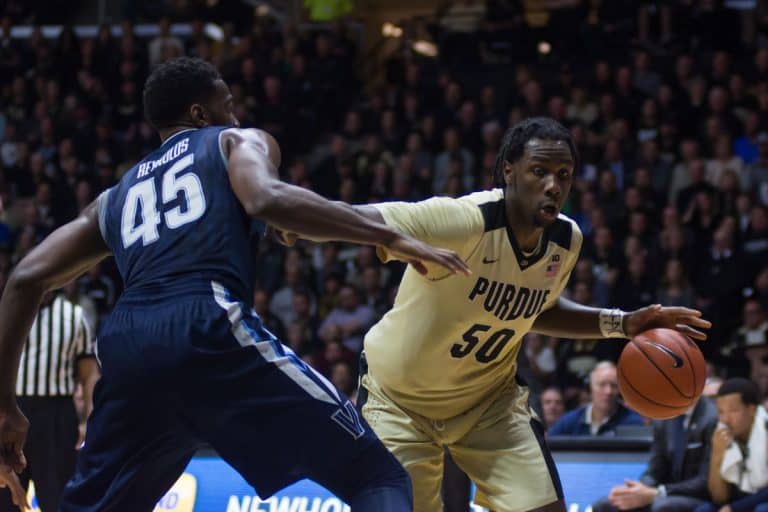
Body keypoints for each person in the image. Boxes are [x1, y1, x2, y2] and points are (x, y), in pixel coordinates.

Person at [0, 57, 471, 511]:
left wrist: (5, 405)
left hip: (127, 344)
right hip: (205, 321)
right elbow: (265, 197)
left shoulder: (114, 197)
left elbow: (25, 278)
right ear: (201, 113)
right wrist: (391, 236)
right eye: (228, 102)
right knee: (377, 474)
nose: (237, 112)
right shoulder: (231, 140)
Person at [278, 118, 710, 512]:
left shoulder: (567, 239)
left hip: (489, 403)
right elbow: (365, 218)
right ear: (509, 171)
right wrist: (296, 218)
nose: (553, 186)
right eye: (539, 171)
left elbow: (535, 308)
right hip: (399, 401)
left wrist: (622, 323)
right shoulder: (464, 221)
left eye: (563, 175)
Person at [0, 292, 100, 512]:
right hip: (11, 408)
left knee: (57, 498)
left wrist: (87, 420)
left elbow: (89, 374)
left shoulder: (74, 316)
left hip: (56, 415)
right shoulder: (7, 309)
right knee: (6, 497)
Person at [592, 396, 718, 512]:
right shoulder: (664, 416)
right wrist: (638, 489)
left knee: (663, 507)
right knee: (606, 505)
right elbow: (655, 470)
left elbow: (705, 482)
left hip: (697, 496)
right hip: (663, 493)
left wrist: (658, 492)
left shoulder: (712, 417)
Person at [695, 378, 768, 512]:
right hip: (737, 502)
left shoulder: (765, 430)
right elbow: (719, 498)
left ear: (751, 410)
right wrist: (717, 455)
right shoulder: (720, 434)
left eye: (733, 411)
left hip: (760, 502)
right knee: (704, 509)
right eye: (721, 412)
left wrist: (734, 508)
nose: (726, 419)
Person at [548, 362, 645, 436]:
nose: (608, 391)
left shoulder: (633, 422)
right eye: (602, 385)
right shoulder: (570, 421)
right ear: (590, 388)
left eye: (614, 385)